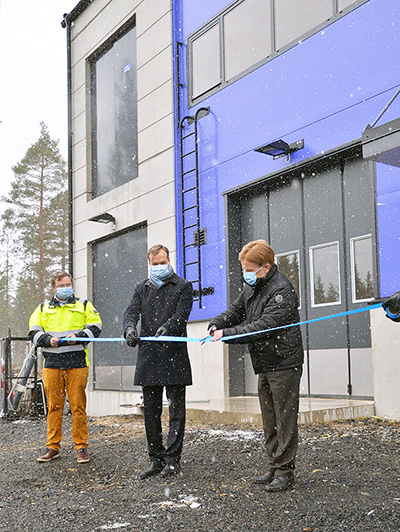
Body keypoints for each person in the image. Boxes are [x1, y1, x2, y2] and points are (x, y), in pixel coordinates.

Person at [208, 240, 304, 492]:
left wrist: (228, 334)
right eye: (244, 269)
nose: (246, 274)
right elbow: (236, 311)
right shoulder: (254, 287)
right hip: (265, 362)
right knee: (270, 418)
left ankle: (285, 471)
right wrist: (217, 323)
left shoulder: (281, 290)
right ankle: (274, 465)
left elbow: (263, 326)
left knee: (285, 419)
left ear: (266, 267)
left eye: (250, 269)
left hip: (284, 363)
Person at [123, 244, 193, 479]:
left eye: (163, 262)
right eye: (155, 264)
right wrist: (130, 328)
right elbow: (131, 311)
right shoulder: (141, 288)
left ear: (169, 260)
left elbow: (181, 315)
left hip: (174, 355)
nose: (159, 266)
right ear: (149, 264)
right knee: (151, 412)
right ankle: (156, 459)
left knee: (176, 411)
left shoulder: (183, 286)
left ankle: (173, 460)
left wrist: (168, 327)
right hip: (149, 356)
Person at [28, 271, 102, 463]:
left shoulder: (83, 305)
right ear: (54, 287)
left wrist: (78, 336)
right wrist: (47, 339)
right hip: (52, 365)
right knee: (54, 407)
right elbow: (33, 333)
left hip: (77, 364)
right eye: (61, 285)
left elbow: (96, 327)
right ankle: (53, 447)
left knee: (78, 407)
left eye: (68, 284)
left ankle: (81, 447)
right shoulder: (43, 308)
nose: (66, 288)